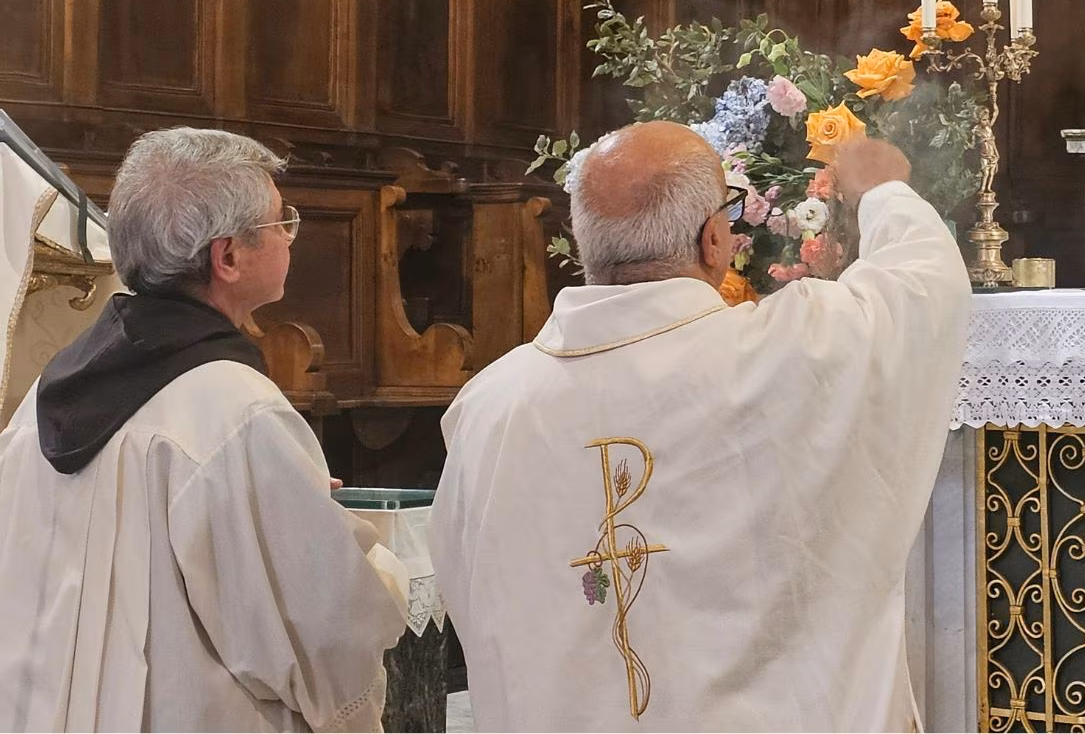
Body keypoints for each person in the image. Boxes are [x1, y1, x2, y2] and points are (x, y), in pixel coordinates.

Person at [432, 123, 972, 731]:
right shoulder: (793, 352)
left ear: (584, 245)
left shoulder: (488, 408)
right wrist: (883, 190)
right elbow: (922, 288)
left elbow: (474, 602)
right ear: (714, 239)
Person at [0, 127, 408, 731]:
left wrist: (288, 502)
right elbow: (324, 634)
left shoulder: (49, 386)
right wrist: (337, 534)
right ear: (228, 257)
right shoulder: (234, 410)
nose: (292, 235)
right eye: (279, 222)